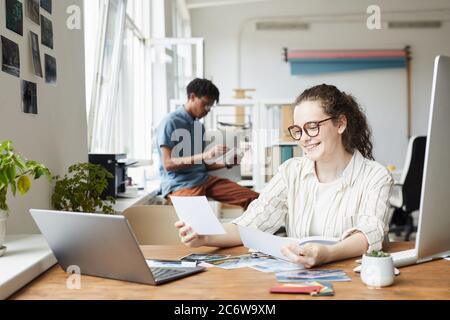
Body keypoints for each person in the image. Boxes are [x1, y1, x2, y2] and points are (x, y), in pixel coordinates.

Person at [175, 84, 394, 268]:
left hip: (355, 284)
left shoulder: (375, 176)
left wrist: (328, 254)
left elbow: (370, 234)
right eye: (298, 130)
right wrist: (205, 236)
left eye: (312, 127)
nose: (304, 138)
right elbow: (253, 223)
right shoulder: (291, 172)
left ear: (340, 123)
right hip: (301, 283)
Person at [157, 78, 259, 209]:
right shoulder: (170, 122)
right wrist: (205, 155)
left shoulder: (199, 127)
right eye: (205, 104)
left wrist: (226, 164)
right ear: (192, 97)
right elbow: (168, 164)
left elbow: (200, 165)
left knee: (256, 199)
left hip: (204, 180)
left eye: (210, 106)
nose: (208, 109)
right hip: (180, 184)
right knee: (199, 221)